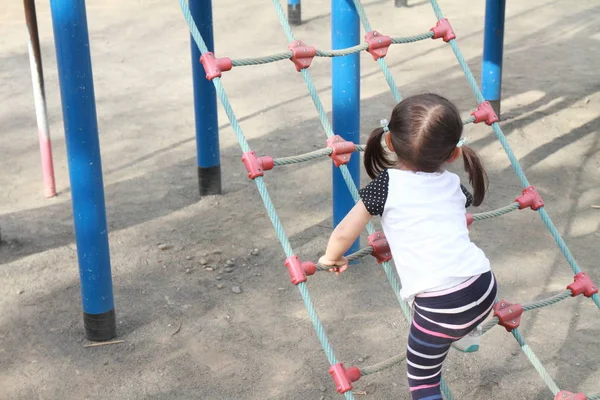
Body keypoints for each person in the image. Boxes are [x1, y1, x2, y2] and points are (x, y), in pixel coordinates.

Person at [318, 93, 498, 400]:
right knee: (461, 318)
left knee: (424, 382)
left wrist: (331, 256)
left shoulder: (386, 184)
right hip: (484, 286)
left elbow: (346, 231)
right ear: (453, 155)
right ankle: (467, 331)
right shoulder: (454, 184)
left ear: (388, 142)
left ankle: (458, 331)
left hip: (438, 307)